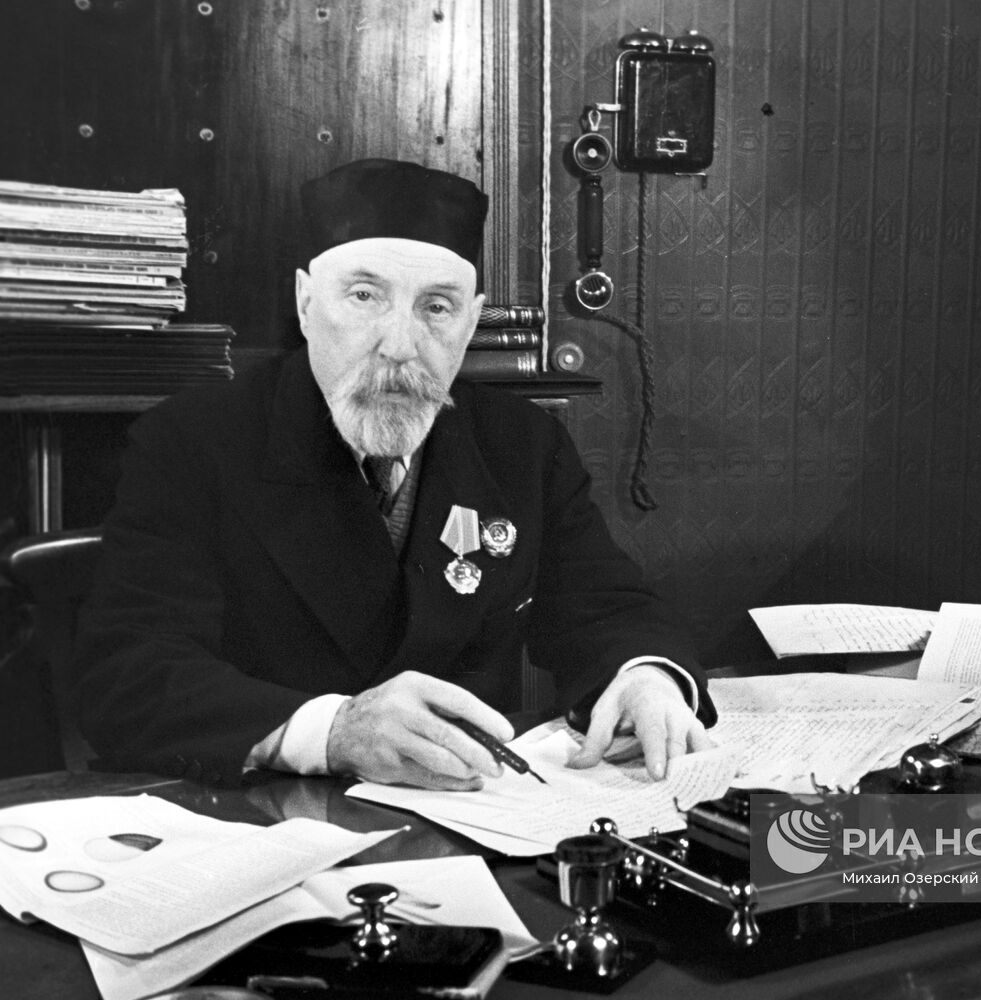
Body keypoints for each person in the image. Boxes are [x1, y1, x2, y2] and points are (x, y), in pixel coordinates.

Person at [73, 158, 715, 789]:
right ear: (306, 304)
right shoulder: (193, 441)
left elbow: (604, 605)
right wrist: (333, 731)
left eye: (436, 307)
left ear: (471, 321)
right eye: (364, 296)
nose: (400, 346)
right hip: (265, 816)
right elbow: (129, 673)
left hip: (471, 812)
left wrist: (645, 677)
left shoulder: (522, 444)